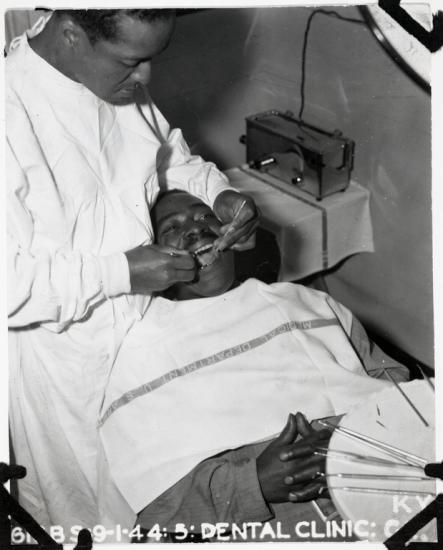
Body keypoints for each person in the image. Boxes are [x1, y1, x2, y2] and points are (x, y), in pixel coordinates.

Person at [6, 9, 258, 538]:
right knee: (87, 516)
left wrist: (219, 192)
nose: (145, 78)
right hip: (68, 363)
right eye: (132, 60)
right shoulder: (11, 117)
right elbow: (11, 285)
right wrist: (119, 273)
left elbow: (167, 156)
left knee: (157, 493)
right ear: (70, 31)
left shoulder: (116, 84)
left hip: (149, 328)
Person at [99, 190, 410, 541]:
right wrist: (257, 482)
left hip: (371, 468)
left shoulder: (306, 301)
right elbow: (153, 504)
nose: (195, 230)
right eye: (171, 228)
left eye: (205, 218)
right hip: (259, 516)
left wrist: (353, 436)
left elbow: (392, 381)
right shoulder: (140, 350)